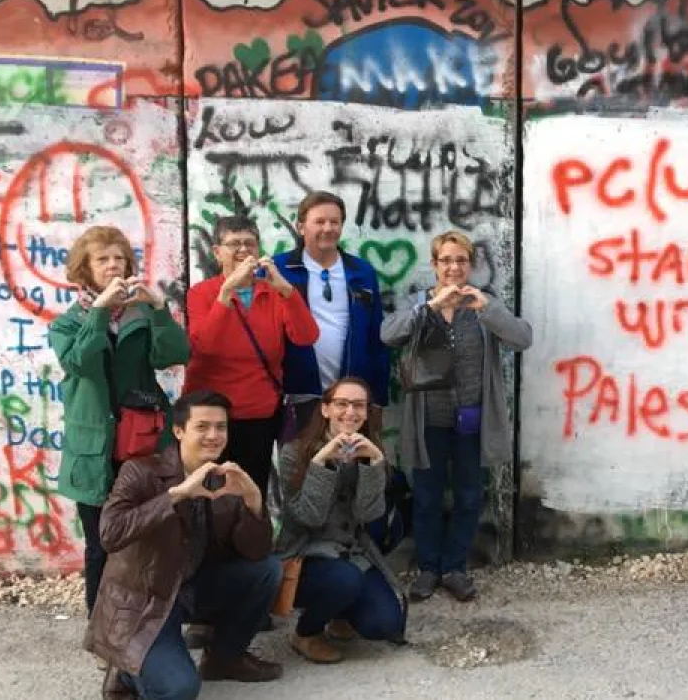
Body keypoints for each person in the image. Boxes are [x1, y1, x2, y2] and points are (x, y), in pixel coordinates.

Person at [89, 390, 283, 700]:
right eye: (202, 426)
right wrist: (177, 494)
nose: (213, 435)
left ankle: (224, 657)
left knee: (267, 570)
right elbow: (110, 534)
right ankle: (125, 672)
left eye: (221, 427)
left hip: (192, 588)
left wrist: (253, 503)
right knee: (180, 689)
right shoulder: (140, 471)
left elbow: (256, 553)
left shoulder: (225, 479)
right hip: (144, 602)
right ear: (179, 431)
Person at [382, 230, 533, 603]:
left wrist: (487, 308)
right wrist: (430, 308)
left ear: (471, 265)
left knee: (467, 495)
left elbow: (522, 339)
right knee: (428, 496)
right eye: (446, 260)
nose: (453, 267)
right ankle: (428, 568)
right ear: (434, 265)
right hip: (428, 421)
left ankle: (454, 567)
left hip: (471, 420)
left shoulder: (483, 306)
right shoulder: (420, 303)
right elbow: (388, 335)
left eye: (461, 260)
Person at [50, 225, 188, 615]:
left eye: (119, 259)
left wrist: (160, 310)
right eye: (103, 259)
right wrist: (97, 314)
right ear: (85, 268)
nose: (113, 266)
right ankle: (102, 624)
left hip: (142, 442)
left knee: (151, 537)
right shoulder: (67, 323)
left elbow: (175, 355)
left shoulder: (142, 313)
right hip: (94, 448)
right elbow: (81, 362)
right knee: (101, 544)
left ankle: (149, 621)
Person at [185, 216, 319, 495]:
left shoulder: (273, 293)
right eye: (234, 244)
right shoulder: (202, 293)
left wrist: (285, 290)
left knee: (250, 489)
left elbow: (306, 337)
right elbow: (205, 347)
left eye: (250, 243)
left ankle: (250, 539)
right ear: (217, 252)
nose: (243, 250)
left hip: (258, 413)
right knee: (208, 492)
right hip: (211, 413)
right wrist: (226, 292)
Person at [277, 377, 407, 664]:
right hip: (306, 554)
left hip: (351, 552)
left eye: (359, 405)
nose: (350, 412)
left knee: (384, 624)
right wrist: (321, 462)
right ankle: (306, 633)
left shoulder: (369, 449)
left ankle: (341, 611)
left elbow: (369, 515)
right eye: (342, 404)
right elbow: (309, 517)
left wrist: (374, 464)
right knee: (344, 580)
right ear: (325, 410)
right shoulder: (293, 454)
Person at [274, 192, 392, 437]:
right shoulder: (280, 269)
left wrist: (377, 398)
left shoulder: (361, 271)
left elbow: (375, 336)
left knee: (351, 470)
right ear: (300, 226)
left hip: (351, 399)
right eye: (319, 221)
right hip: (299, 395)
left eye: (334, 222)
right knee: (299, 469)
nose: (328, 228)